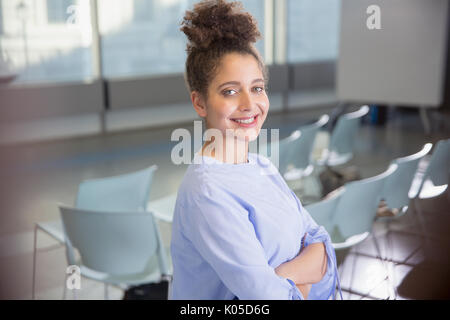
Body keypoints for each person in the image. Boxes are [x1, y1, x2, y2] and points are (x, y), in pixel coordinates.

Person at [170, 0, 342, 300]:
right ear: (199, 103)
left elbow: (320, 243)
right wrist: (298, 280)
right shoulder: (207, 193)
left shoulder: (262, 165)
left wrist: (279, 279)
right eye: (230, 91)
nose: (250, 105)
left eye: (257, 87)